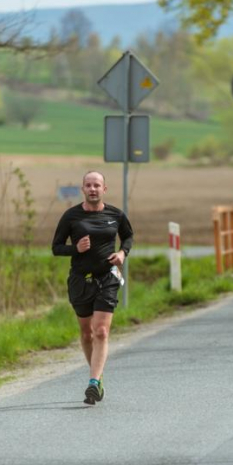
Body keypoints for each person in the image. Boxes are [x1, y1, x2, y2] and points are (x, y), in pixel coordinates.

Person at [51, 171, 134, 405]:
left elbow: (128, 236)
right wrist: (75, 249)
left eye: (97, 185)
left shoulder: (115, 214)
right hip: (80, 280)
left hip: (107, 277)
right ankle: (97, 374)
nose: (93, 189)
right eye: (88, 185)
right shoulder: (71, 216)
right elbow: (56, 247)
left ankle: (93, 383)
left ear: (104, 189)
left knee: (101, 331)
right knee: (87, 333)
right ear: (83, 189)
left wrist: (122, 253)